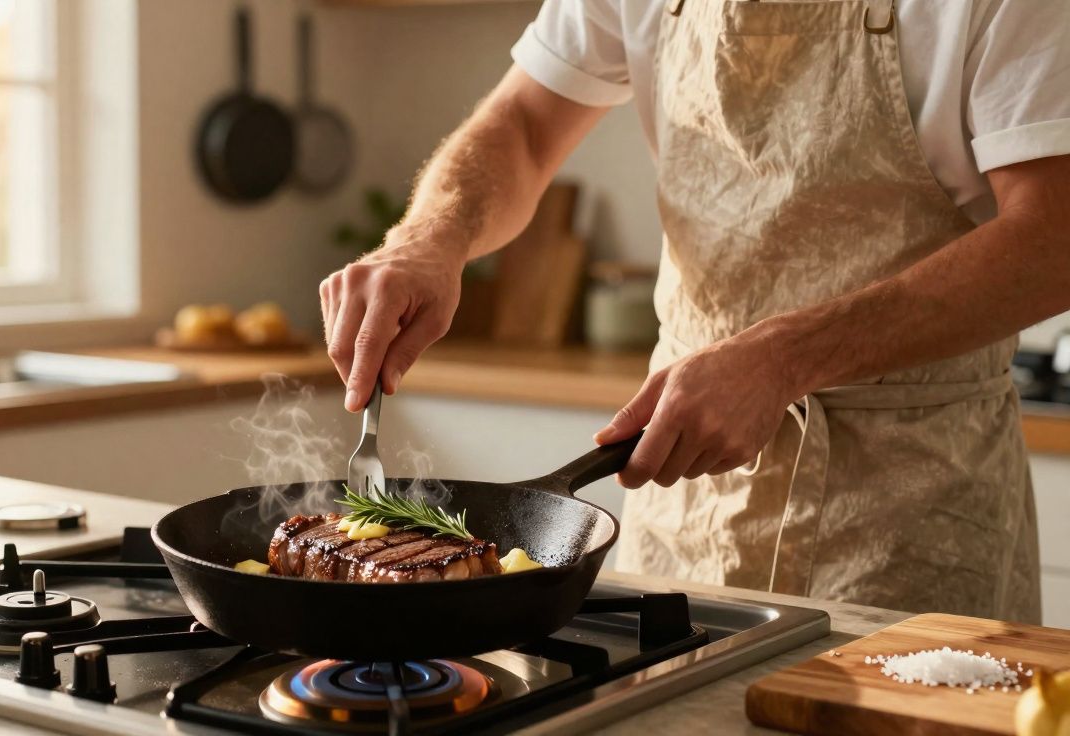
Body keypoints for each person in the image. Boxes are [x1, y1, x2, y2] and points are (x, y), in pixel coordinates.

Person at [318, 0, 1070, 622]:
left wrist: (784, 357)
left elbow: (1054, 238)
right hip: (685, 493)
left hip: (912, 508)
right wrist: (427, 237)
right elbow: (524, 122)